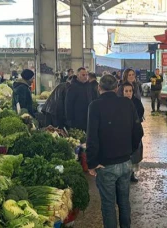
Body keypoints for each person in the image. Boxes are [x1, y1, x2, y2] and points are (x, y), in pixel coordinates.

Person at [86, 74, 144, 228]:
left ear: (99, 88)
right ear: (117, 88)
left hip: (106, 165)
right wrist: (129, 150)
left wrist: (91, 163)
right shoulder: (127, 103)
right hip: (126, 163)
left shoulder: (95, 106)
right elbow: (138, 131)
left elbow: (92, 138)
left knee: (108, 205)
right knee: (124, 202)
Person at [120, 82, 145, 182]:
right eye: (126, 91)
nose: (128, 93)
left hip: (134, 131)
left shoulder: (137, 102)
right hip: (123, 132)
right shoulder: (119, 102)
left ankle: (132, 174)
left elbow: (141, 112)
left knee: (135, 154)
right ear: (122, 92)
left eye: (130, 91)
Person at [65, 67, 97, 131]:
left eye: (86, 75)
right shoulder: (72, 87)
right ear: (77, 75)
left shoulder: (88, 86)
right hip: (77, 119)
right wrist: (69, 120)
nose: (85, 77)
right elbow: (68, 104)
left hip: (88, 117)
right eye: (83, 75)